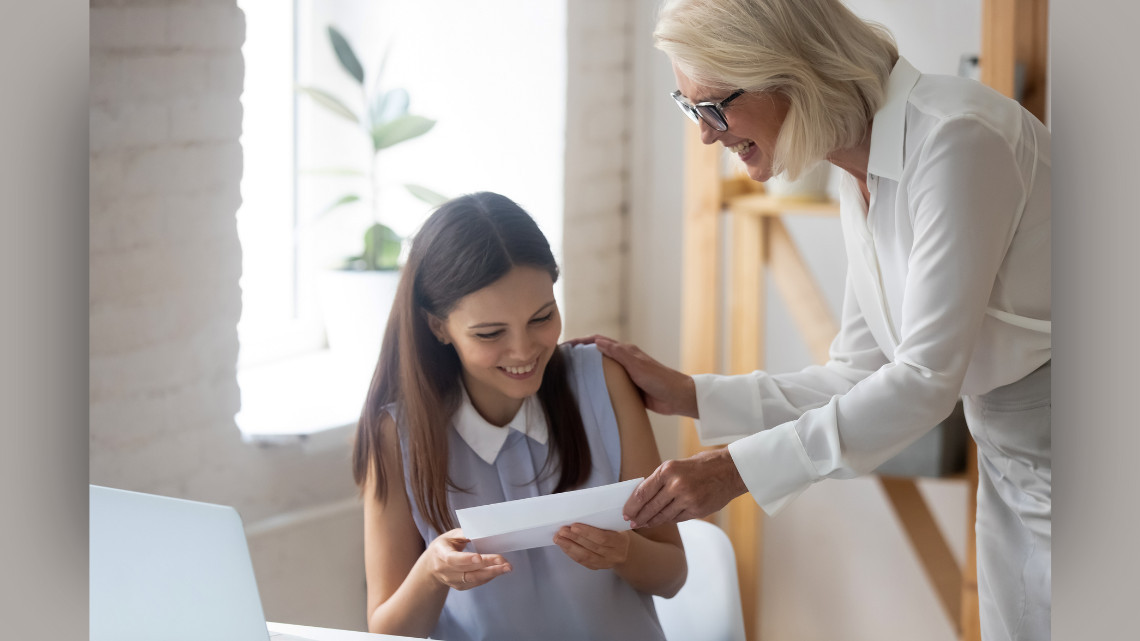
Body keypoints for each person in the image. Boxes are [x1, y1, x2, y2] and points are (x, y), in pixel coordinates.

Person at [579, 1, 1051, 640]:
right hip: (1009, 462)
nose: (706, 134)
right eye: (689, 107)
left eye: (714, 105)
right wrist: (690, 395)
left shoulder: (954, 138)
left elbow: (923, 381)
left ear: (789, 74)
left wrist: (733, 470)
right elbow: (858, 373)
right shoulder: (861, 169)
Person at [351, 192, 686, 640]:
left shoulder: (603, 382)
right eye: (490, 333)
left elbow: (672, 574)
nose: (524, 350)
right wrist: (432, 572)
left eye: (542, 317)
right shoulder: (397, 435)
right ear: (438, 327)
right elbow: (386, 632)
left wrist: (623, 552)